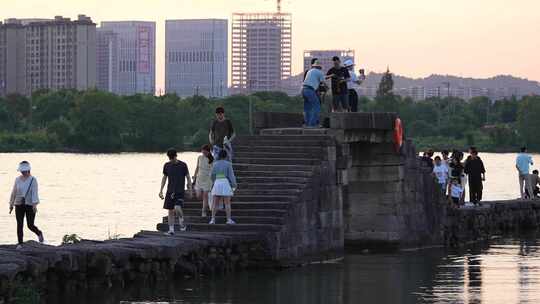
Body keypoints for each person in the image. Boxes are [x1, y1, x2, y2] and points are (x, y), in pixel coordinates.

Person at [9, 161, 44, 249]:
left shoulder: (33, 180)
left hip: (30, 204)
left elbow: (34, 193)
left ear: (28, 170)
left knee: (30, 225)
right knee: (19, 224)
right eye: (22, 171)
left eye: (24, 171)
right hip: (19, 204)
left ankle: (39, 233)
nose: (23, 172)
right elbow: (14, 192)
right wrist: (11, 204)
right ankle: (20, 243)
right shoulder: (17, 179)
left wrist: (34, 205)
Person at [159, 148, 192, 235]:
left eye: (172, 158)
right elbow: (164, 178)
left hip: (180, 191)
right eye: (170, 158)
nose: (171, 160)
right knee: (170, 211)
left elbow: (188, 177)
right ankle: (171, 230)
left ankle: (181, 220)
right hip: (170, 191)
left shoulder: (183, 165)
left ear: (176, 156)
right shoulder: (166, 165)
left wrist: (190, 189)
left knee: (177, 208)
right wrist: (161, 190)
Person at [210, 150, 237, 225]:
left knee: (215, 203)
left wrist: (214, 181)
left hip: (217, 182)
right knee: (227, 203)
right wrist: (234, 185)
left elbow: (211, 175)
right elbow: (231, 176)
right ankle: (228, 219)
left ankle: (212, 219)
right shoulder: (228, 164)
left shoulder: (215, 164)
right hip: (225, 182)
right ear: (225, 156)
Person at [302, 59, 326, 127]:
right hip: (310, 90)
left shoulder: (310, 71)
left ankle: (307, 124)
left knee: (307, 108)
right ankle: (313, 124)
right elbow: (323, 82)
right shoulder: (319, 72)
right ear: (320, 67)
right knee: (316, 106)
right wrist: (328, 89)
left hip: (304, 90)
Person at [194, 144, 214, 217]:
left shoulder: (212, 159)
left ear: (208, 152)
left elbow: (213, 170)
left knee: (205, 196)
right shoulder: (199, 157)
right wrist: (194, 176)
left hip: (207, 179)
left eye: (205, 152)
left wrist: (213, 179)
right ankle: (206, 203)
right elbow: (197, 167)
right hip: (199, 178)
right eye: (203, 151)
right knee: (198, 195)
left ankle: (204, 211)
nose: (203, 153)